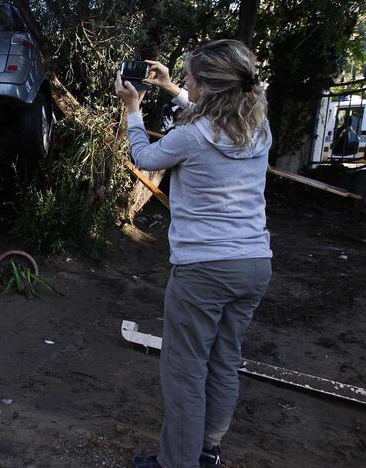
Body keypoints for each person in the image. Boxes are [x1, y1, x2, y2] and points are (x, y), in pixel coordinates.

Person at [114, 39, 273, 468]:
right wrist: (172, 90)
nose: (183, 81)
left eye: (188, 79)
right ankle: (207, 453)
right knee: (223, 363)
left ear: (206, 87)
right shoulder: (259, 129)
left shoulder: (190, 137)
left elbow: (145, 156)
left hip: (203, 270)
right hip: (254, 264)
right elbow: (219, 117)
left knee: (185, 372)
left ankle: (176, 463)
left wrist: (132, 110)